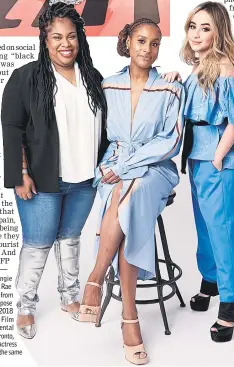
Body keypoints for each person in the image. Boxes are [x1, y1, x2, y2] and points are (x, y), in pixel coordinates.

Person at [80, 18, 185, 365]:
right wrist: (108, 166)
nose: (148, 49)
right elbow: (100, 137)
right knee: (126, 200)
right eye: (141, 41)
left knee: (132, 189)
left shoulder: (170, 89)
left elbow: (169, 141)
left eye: (155, 43)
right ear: (128, 42)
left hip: (155, 169)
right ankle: (130, 319)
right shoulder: (109, 86)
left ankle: (95, 277)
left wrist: (123, 168)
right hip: (115, 168)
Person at [1, 1, 108, 339]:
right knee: (38, 242)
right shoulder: (26, 77)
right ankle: (26, 305)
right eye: (57, 37)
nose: (66, 44)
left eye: (72, 37)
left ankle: (69, 297)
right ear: (45, 40)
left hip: (85, 180)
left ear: (80, 39)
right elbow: (11, 126)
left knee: (69, 239)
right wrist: (19, 173)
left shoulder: (92, 78)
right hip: (44, 180)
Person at [179, 1, 234, 342]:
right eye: (193, 26)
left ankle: (231, 306)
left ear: (218, 31)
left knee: (222, 232)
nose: (197, 33)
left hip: (216, 160)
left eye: (205, 27)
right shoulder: (198, 66)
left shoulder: (224, 67)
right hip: (198, 156)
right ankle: (210, 282)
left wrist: (217, 157)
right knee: (205, 228)